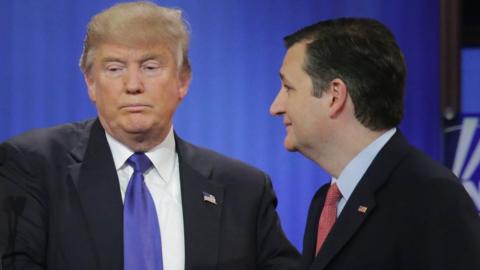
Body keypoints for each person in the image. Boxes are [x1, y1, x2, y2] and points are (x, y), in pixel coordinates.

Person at [0, 2, 300, 270]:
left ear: (183, 81)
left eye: (150, 67)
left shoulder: (244, 190)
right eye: (115, 68)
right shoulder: (33, 166)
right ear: (91, 83)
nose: (133, 84)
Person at [270, 18, 480, 270]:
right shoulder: (325, 203)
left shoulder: (430, 195)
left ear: (334, 96)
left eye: (288, 87)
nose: (276, 107)